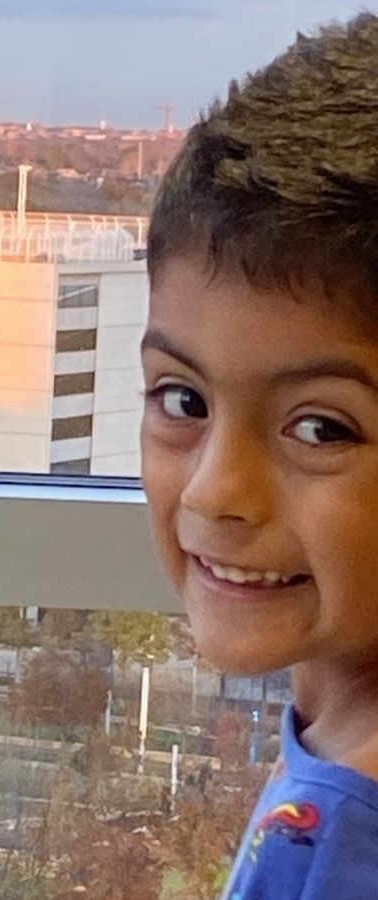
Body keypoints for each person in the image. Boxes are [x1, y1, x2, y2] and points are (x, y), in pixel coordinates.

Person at [140, 13, 378, 899]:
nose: (214, 494)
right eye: (183, 401)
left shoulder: (345, 837)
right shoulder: (339, 750)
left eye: (321, 429)